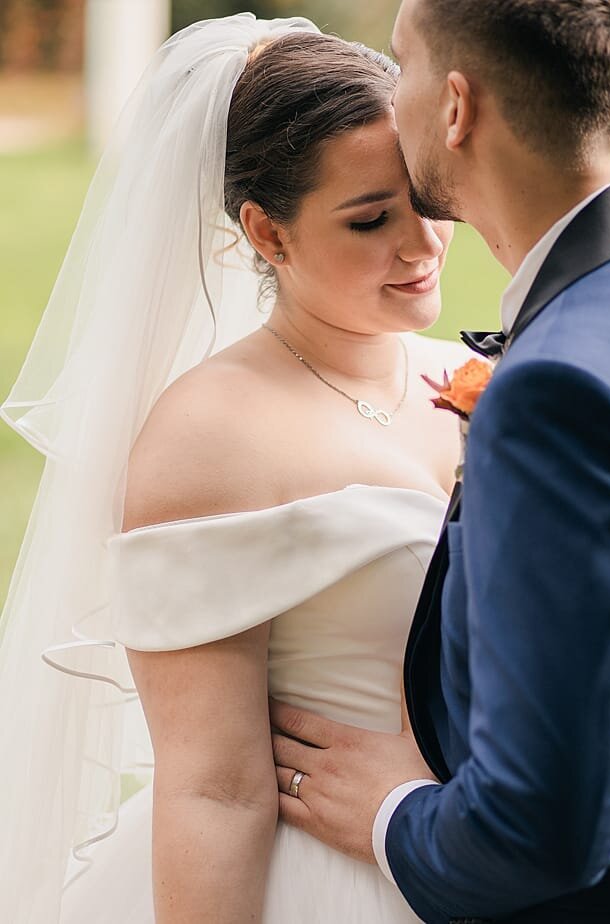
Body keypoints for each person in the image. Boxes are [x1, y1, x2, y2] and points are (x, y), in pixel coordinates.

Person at [270, 1, 610, 922]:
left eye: (399, 63)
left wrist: (391, 814)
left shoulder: (563, 389)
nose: (386, 91)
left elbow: (544, 830)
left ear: (455, 107)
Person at [0, 13, 470, 923]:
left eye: (428, 199)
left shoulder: (468, 375)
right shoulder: (209, 438)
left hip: (484, 855)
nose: (421, 246)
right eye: (371, 219)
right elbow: (212, 789)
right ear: (267, 232)